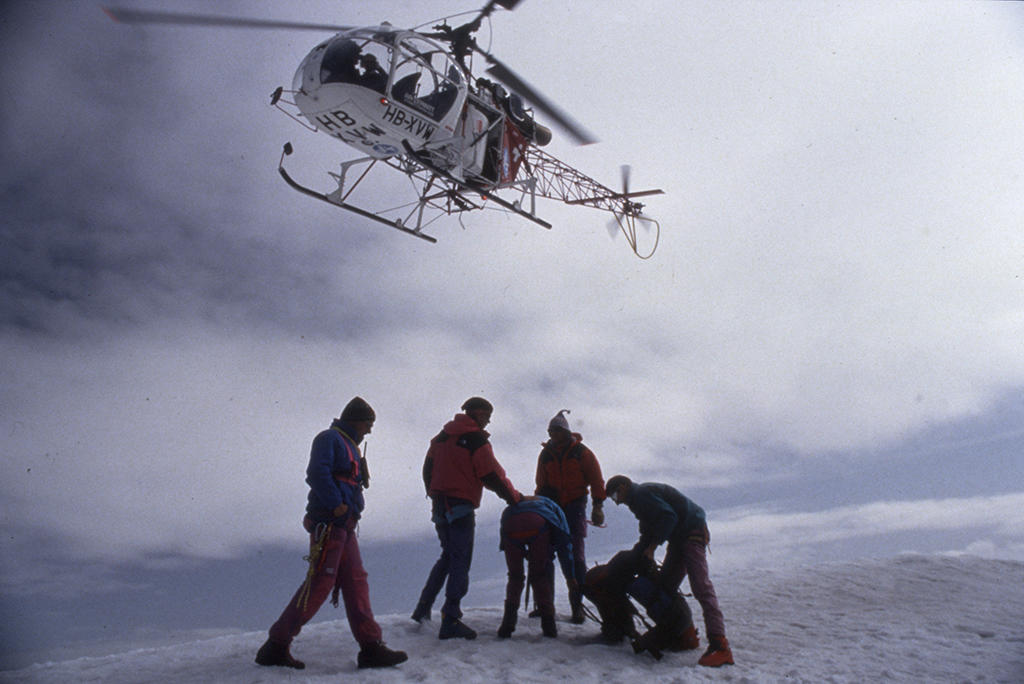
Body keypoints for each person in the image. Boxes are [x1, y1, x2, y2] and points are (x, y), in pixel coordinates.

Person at [255, 397, 407, 671]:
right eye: (368, 423)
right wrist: (336, 505)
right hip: (330, 523)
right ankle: (276, 644)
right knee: (321, 583)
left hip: (344, 526)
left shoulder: (348, 445)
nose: (370, 430)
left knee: (356, 582)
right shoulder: (329, 439)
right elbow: (317, 473)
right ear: (354, 420)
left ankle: (371, 647)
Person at [411, 397, 522, 639]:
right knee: (460, 560)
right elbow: (491, 474)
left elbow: (427, 469)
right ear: (478, 413)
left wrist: (434, 493)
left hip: (440, 505)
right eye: (488, 415)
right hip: (460, 506)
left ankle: (422, 609)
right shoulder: (476, 440)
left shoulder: (440, 438)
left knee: (448, 556)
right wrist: (515, 499)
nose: (489, 420)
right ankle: (450, 619)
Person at [605, 474, 734, 667]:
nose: (616, 502)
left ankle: (720, 646)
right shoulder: (637, 502)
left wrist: (652, 547)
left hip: (691, 533)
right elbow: (648, 532)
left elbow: (668, 517)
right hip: (679, 538)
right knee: (665, 585)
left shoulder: (641, 494)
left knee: (701, 586)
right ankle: (680, 634)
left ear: (624, 486)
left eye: (615, 496)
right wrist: (640, 550)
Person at [534, 409, 606, 623]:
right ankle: (546, 606)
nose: (552, 435)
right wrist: (540, 506)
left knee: (575, 556)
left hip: (575, 507)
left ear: (565, 432)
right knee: (545, 555)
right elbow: (540, 483)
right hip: (552, 508)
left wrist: (598, 506)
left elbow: (596, 479)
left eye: (556, 430)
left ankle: (578, 607)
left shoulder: (582, 453)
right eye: (550, 431)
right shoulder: (546, 454)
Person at [582, 549, 698, 658]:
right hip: (605, 580)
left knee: (622, 634)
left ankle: (617, 630)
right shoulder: (679, 619)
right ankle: (617, 629)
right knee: (621, 633)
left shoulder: (679, 617)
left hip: (609, 578)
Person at [497, 496, 577, 639]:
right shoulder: (554, 509)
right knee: (539, 575)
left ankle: (507, 625)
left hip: (510, 522)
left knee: (515, 576)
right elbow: (565, 545)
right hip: (537, 525)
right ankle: (549, 627)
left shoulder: (527, 502)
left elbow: (505, 538)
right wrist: (570, 577)